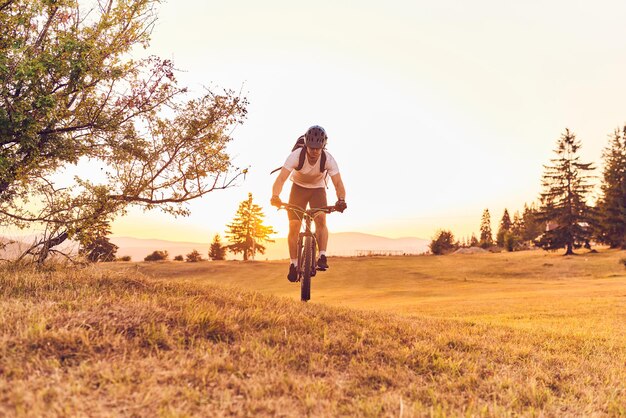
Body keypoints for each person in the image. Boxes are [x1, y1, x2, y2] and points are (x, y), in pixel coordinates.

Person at [271, 125, 347, 282]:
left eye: (318, 148)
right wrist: (275, 196)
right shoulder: (296, 156)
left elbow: (338, 183)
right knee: (293, 226)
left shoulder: (328, 159)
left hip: (318, 189)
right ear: (306, 145)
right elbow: (281, 179)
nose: (314, 152)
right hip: (298, 188)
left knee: (321, 219)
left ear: (323, 146)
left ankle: (322, 255)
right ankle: (293, 264)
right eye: (312, 148)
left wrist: (341, 200)